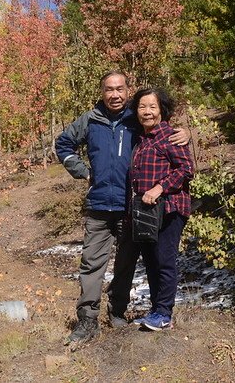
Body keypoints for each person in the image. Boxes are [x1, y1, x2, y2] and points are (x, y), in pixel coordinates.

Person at [55, 71, 189, 345]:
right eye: (109, 89)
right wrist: (82, 171)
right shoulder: (89, 120)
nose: (114, 94)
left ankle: (117, 311)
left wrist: (188, 132)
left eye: (120, 89)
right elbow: (63, 143)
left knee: (126, 264)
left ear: (128, 91)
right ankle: (87, 320)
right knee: (92, 263)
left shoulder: (136, 119)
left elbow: (166, 133)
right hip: (99, 205)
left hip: (132, 208)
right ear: (102, 92)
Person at [128, 87, 194, 331]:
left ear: (162, 110)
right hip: (147, 212)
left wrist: (159, 188)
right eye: (142, 107)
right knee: (152, 261)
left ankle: (164, 313)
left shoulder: (170, 136)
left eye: (152, 107)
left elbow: (186, 169)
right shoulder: (142, 138)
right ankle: (156, 310)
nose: (147, 112)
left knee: (165, 261)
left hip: (170, 208)